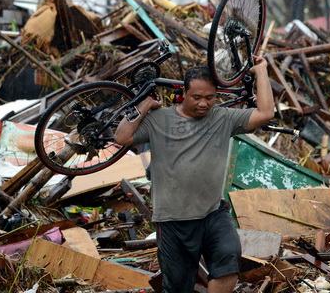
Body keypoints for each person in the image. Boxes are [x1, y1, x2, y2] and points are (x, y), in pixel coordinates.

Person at [114, 55, 274, 293]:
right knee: (178, 286)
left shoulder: (223, 118)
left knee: (228, 259)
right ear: (184, 93)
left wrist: (261, 71)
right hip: (172, 220)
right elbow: (121, 137)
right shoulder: (160, 119)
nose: (203, 104)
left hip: (212, 214)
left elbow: (266, 112)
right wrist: (145, 105)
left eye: (210, 97)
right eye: (197, 97)